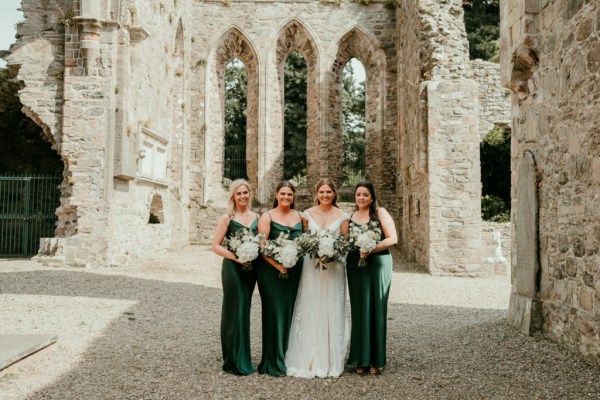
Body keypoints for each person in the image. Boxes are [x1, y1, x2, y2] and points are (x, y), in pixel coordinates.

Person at [285, 179, 349, 378]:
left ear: (334, 194)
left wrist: (332, 254)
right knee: (311, 305)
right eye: (322, 191)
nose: (325, 195)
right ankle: (309, 357)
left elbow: (345, 243)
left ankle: (330, 360)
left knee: (332, 307)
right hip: (311, 267)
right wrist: (316, 251)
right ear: (316, 193)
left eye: (329, 191)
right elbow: (304, 240)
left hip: (334, 268)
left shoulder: (343, 216)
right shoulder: (307, 214)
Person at [346, 181, 398, 375]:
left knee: (376, 308)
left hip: (377, 264)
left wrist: (371, 248)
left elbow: (393, 238)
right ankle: (361, 358)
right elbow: (345, 242)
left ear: (372, 197)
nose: (361, 198)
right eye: (358, 194)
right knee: (359, 310)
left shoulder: (381, 213)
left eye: (365, 195)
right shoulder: (350, 217)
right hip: (356, 266)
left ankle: (377, 359)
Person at [211, 179, 260, 375]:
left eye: (245, 193)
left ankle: (243, 354)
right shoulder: (228, 218)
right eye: (238, 193)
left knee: (245, 308)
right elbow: (215, 245)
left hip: (251, 269)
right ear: (233, 196)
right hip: (233, 267)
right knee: (233, 309)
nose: (242, 196)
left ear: (250, 194)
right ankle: (232, 358)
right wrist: (236, 257)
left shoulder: (257, 216)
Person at [256, 181, 304, 376]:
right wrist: (277, 264)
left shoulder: (301, 216)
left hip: (294, 269)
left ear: (293, 197)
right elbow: (262, 245)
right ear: (276, 195)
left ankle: (289, 355)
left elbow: (306, 242)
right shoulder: (266, 217)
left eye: (289, 195)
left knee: (292, 309)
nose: (286, 197)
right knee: (275, 311)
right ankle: (272, 359)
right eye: (282, 194)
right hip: (271, 270)